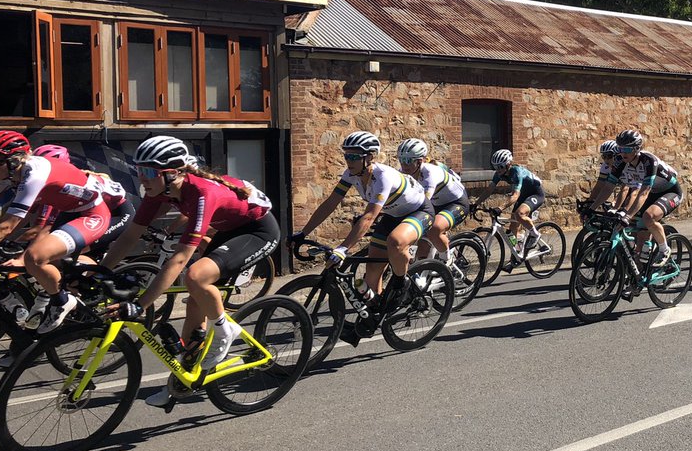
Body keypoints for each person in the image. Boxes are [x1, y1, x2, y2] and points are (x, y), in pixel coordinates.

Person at [99, 136, 279, 406]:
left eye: (148, 172)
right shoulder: (158, 192)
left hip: (258, 231)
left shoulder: (203, 192)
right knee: (195, 300)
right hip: (230, 231)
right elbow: (129, 237)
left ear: (174, 174)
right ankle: (185, 377)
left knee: (195, 276)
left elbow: (180, 259)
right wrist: (99, 273)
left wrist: (140, 305)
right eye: (139, 171)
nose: (142, 178)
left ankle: (223, 331)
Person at [292, 131, 432, 323]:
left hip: (419, 211)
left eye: (354, 156)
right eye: (346, 155)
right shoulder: (351, 175)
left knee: (396, 241)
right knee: (373, 270)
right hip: (392, 215)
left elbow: (369, 217)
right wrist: (303, 232)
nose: (349, 160)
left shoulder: (383, 176)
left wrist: (342, 248)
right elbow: (330, 203)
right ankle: (377, 313)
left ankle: (402, 284)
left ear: (370, 157)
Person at [0, 131, 114, 335]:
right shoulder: (8, 173)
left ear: (14, 161)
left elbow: (7, 226)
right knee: (32, 255)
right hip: (65, 213)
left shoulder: (34, 174)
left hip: (91, 214)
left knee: (35, 257)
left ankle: (62, 300)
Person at [606, 130, 682, 267]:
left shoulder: (648, 161)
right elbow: (608, 186)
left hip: (670, 191)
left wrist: (627, 216)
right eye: (620, 149)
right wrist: (593, 208)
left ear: (637, 148)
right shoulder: (620, 160)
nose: (623, 153)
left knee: (648, 217)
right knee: (638, 240)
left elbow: (643, 192)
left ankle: (664, 250)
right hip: (650, 193)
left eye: (627, 149)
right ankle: (640, 276)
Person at [395, 138, 468, 267]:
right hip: (435, 204)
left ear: (419, 161)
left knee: (434, 228)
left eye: (408, 160)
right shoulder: (402, 173)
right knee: (423, 245)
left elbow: (424, 202)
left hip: (456, 202)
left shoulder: (429, 173)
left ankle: (447, 260)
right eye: (401, 160)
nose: (404, 165)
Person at [470, 149, 546, 269]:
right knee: (512, 229)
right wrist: (475, 204)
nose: (498, 170)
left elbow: (515, 196)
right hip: (523, 195)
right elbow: (489, 190)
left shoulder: (516, 172)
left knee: (520, 214)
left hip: (535, 193)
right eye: (495, 167)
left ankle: (535, 234)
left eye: (500, 167)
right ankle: (516, 255)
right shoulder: (499, 174)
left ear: (508, 164)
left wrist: (500, 208)